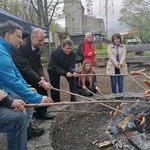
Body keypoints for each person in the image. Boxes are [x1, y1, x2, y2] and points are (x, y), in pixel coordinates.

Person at [0, 21, 53, 140]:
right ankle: (22, 128)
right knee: (19, 115)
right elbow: (14, 79)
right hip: (5, 90)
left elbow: (16, 72)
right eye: (19, 36)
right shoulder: (4, 53)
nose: (21, 40)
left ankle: (27, 126)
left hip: (8, 88)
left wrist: (28, 86)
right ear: (8, 35)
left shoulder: (6, 50)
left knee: (29, 95)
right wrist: (38, 98)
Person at [12, 28, 55, 120]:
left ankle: (41, 112)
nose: (42, 43)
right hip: (23, 76)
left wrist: (42, 77)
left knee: (43, 89)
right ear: (32, 37)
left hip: (33, 74)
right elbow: (25, 68)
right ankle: (29, 121)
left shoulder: (37, 47)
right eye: (40, 40)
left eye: (43, 41)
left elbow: (38, 65)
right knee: (29, 96)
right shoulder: (21, 47)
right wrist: (39, 80)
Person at [47, 38, 78, 102]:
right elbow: (54, 67)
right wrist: (65, 73)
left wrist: (73, 71)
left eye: (70, 48)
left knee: (73, 78)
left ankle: (73, 97)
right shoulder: (54, 53)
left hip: (66, 67)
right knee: (55, 86)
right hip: (53, 69)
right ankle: (56, 101)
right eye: (67, 48)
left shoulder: (73, 54)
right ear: (62, 47)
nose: (69, 50)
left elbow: (71, 65)